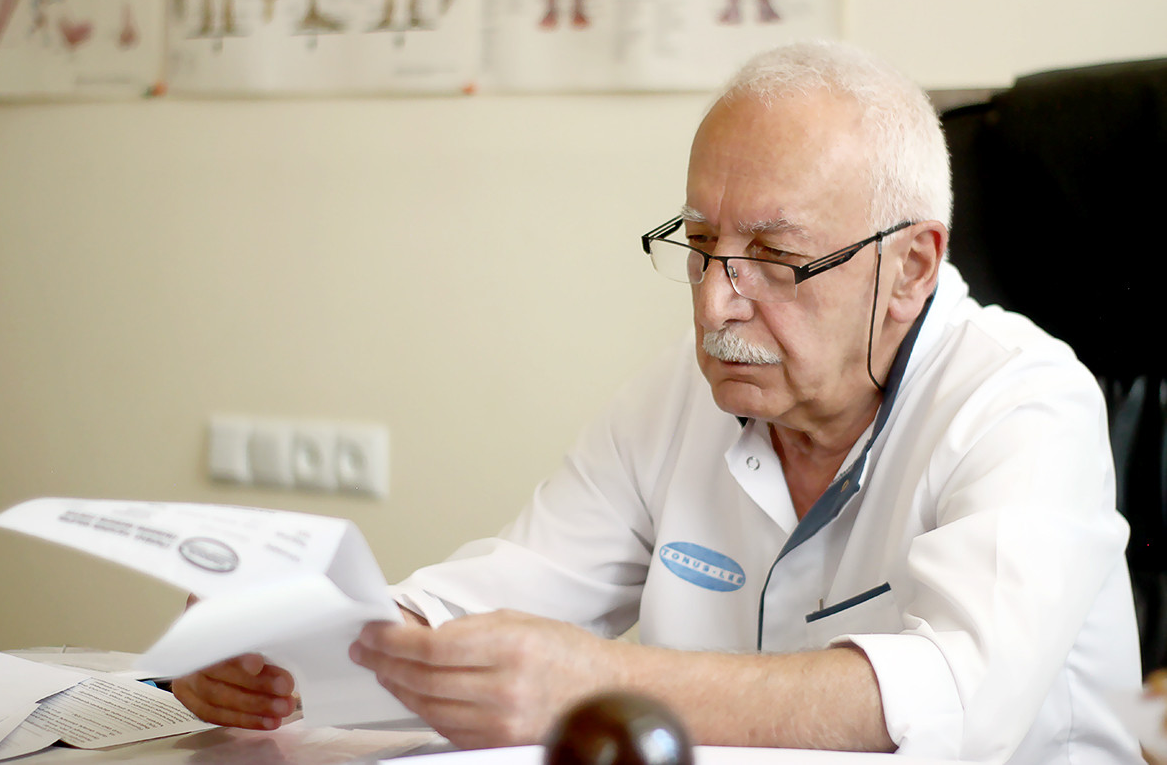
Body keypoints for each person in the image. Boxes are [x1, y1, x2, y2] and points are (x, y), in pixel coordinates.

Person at [172, 41, 1143, 763]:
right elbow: (510, 591)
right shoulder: (683, 393)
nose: (717, 303)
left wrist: (601, 680)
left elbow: (957, 698)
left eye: (773, 256)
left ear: (911, 267)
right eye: (700, 245)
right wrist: (299, 646)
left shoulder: (1023, 402)